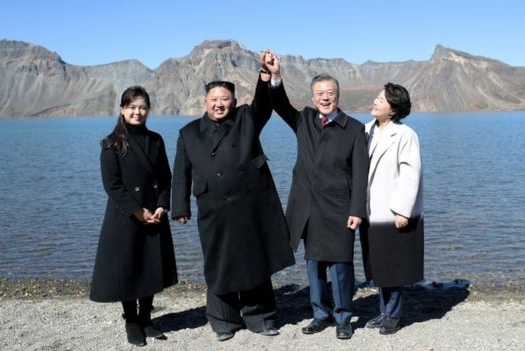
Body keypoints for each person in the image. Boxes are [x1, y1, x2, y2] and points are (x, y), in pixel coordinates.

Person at [171, 52, 295, 342]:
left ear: (234, 101)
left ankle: (260, 317)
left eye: (224, 98)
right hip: (212, 208)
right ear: (204, 103)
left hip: (249, 206)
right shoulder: (188, 132)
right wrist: (180, 206)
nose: (218, 104)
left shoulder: (246, 118)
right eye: (213, 99)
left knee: (254, 258)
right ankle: (223, 320)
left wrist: (266, 76)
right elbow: (181, 172)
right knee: (219, 261)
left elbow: (264, 104)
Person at [263, 52, 368, 340]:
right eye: (320, 93)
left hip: (339, 208)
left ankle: (344, 316)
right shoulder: (304, 120)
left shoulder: (355, 129)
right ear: (312, 97)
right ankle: (320, 314)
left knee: (341, 265)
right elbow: (279, 104)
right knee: (314, 264)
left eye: (330, 93)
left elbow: (361, 175)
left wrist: (357, 210)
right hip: (307, 207)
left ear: (338, 96)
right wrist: (275, 76)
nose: (325, 98)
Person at [90, 86, 178, 347]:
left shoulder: (156, 140)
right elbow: (112, 185)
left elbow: (165, 177)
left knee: (150, 266)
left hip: (154, 213)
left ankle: (146, 318)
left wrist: (163, 205)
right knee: (127, 268)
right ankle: (131, 321)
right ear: (122, 109)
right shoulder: (111, 143)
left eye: (142, 107)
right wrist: (138, 212)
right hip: (126, 216)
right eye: (132, 107)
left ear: (148, 110)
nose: (137, 112)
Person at [361, 83, 423, 335]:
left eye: (381, 100)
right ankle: (384, 311)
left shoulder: (405, 134)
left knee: (393, 264)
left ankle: (394, 315)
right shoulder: (365, 130)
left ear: (394, 109)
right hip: (370, 210)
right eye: (376, 97)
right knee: (378, 265)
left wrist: (403, 210)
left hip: (391, 210)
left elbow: (411, 173)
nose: (375, 102)